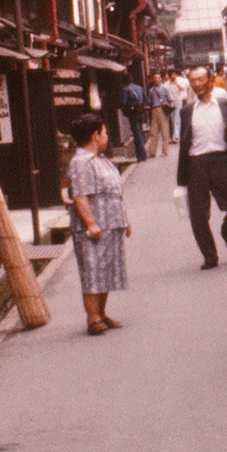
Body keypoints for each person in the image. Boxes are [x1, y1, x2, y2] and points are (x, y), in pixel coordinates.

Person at [66, 113, 130, 334]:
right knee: (93, 270)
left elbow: (114, 193)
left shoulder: (100, 161)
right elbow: (80, 197)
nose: (107, 137)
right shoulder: (81, 162)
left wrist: (124, 220)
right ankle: (93, 318)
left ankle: (102, 313)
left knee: (106, 270)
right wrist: (91, 224)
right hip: (93, 227)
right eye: (105, 133)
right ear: (95, 135)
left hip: (110, 223)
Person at [177, 67, 227, 268]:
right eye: (193, 81)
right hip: (196, 163)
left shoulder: (224, 105)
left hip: (221, 160)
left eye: (200, 80)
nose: (196, 84)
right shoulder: (187, 111)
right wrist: (182, 176)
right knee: (198, 214)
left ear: (210, 82)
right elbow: (184, 142)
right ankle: (210, 256)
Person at [118, 79, 149, 163]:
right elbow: (146, 99)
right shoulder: (139, 87)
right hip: (141, 111)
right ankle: (143, 152)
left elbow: (123, 102)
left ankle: (141, 155)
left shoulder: (125, 89)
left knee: (137, 133)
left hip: (133, 113)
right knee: (140, 131)